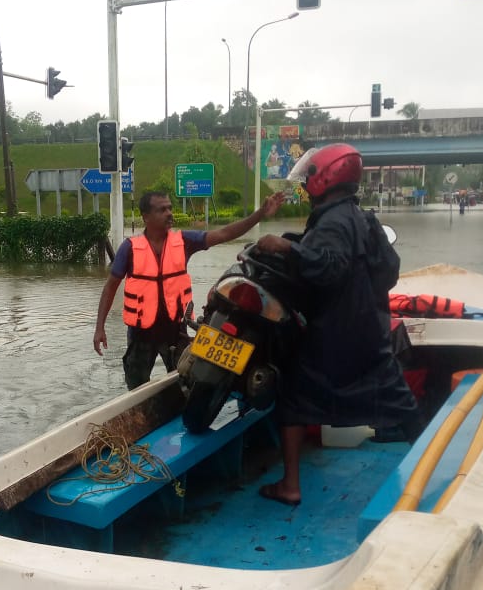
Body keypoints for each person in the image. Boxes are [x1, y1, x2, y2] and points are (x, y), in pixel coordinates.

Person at [254, 143, 422, 507]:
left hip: (331, 333)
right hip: (369, 332)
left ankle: (290, 485)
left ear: (325, 177)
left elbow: (329, 267)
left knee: (293, 398)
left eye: (309, 177)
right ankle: (431, 468)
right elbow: (389, 270)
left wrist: (287, 250)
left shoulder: (330, 221)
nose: (305, 185)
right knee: (402, 404)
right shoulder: (363, 219)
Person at [94, 189, 286, 389]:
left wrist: (260, 213)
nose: (169, 213)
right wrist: (100, 328)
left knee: (186, 382)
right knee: (135, 388)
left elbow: (225, 233)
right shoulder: (130, 248)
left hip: (176, 331)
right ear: (146, 217)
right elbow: (110, 288)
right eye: (162, 210)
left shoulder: (185, 241)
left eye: (170, 208)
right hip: (141, 334)